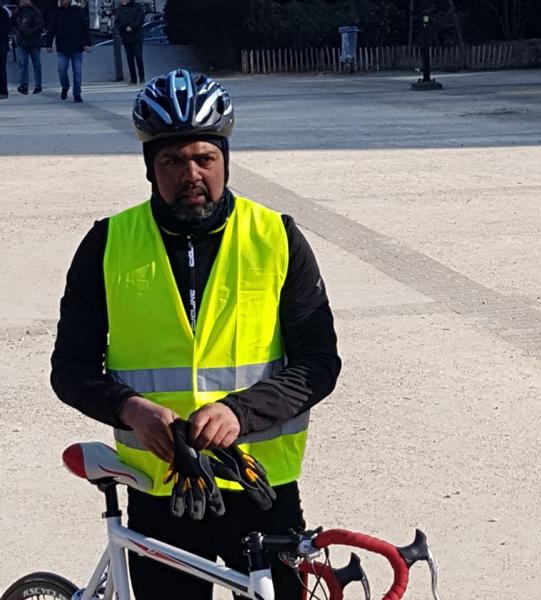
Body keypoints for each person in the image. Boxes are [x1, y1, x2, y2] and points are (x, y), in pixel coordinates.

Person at [51, 69, 341, 600]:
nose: (191, 174)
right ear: (149, 167)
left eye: (205, 158)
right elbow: (70, 369)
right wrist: (130, 409)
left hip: (261, 488)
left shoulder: (276, 237)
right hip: (161, 491)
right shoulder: (107, 244)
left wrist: (239, 413)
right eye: (172, 161)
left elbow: (319, 362)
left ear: (225, 159)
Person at [45, 0, 90, 103]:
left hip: (77, 46)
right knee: (62, 70)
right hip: (62, 47)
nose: (61, 1)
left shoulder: (78, 11)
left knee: (77, 72)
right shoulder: (57, 13)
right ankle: (65, 86)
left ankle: (77, 93)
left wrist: (87, 43)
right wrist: (48, 44)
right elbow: (51, 29)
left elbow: (85, 28)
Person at [12, 0, 44, 95]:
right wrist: (17, 32)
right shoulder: (18, 12)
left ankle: (38, 85)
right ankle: (24, 85)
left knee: (36, 64)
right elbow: (12, 23)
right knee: (23, 64)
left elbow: (40, 26)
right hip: (22, 41)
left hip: (33, 42)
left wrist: (30, 32)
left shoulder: (36, 12)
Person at [114, 0, 144, 84]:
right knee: (129, 59)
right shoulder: (120, 9)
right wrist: (120, 28)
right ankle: (133, 78)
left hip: (136, 36)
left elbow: (140, 20)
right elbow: (117, 22)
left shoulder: (137, 7)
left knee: (138, 57)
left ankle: (141, 76)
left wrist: (132, 27)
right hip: (125, 36)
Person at [0, 4, 12, 98]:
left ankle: (3, 91)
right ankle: (3, 91)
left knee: (1, 67)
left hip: (2, 42)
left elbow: (8, 26)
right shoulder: (4, 11)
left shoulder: (3, 12)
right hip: (3, 41)